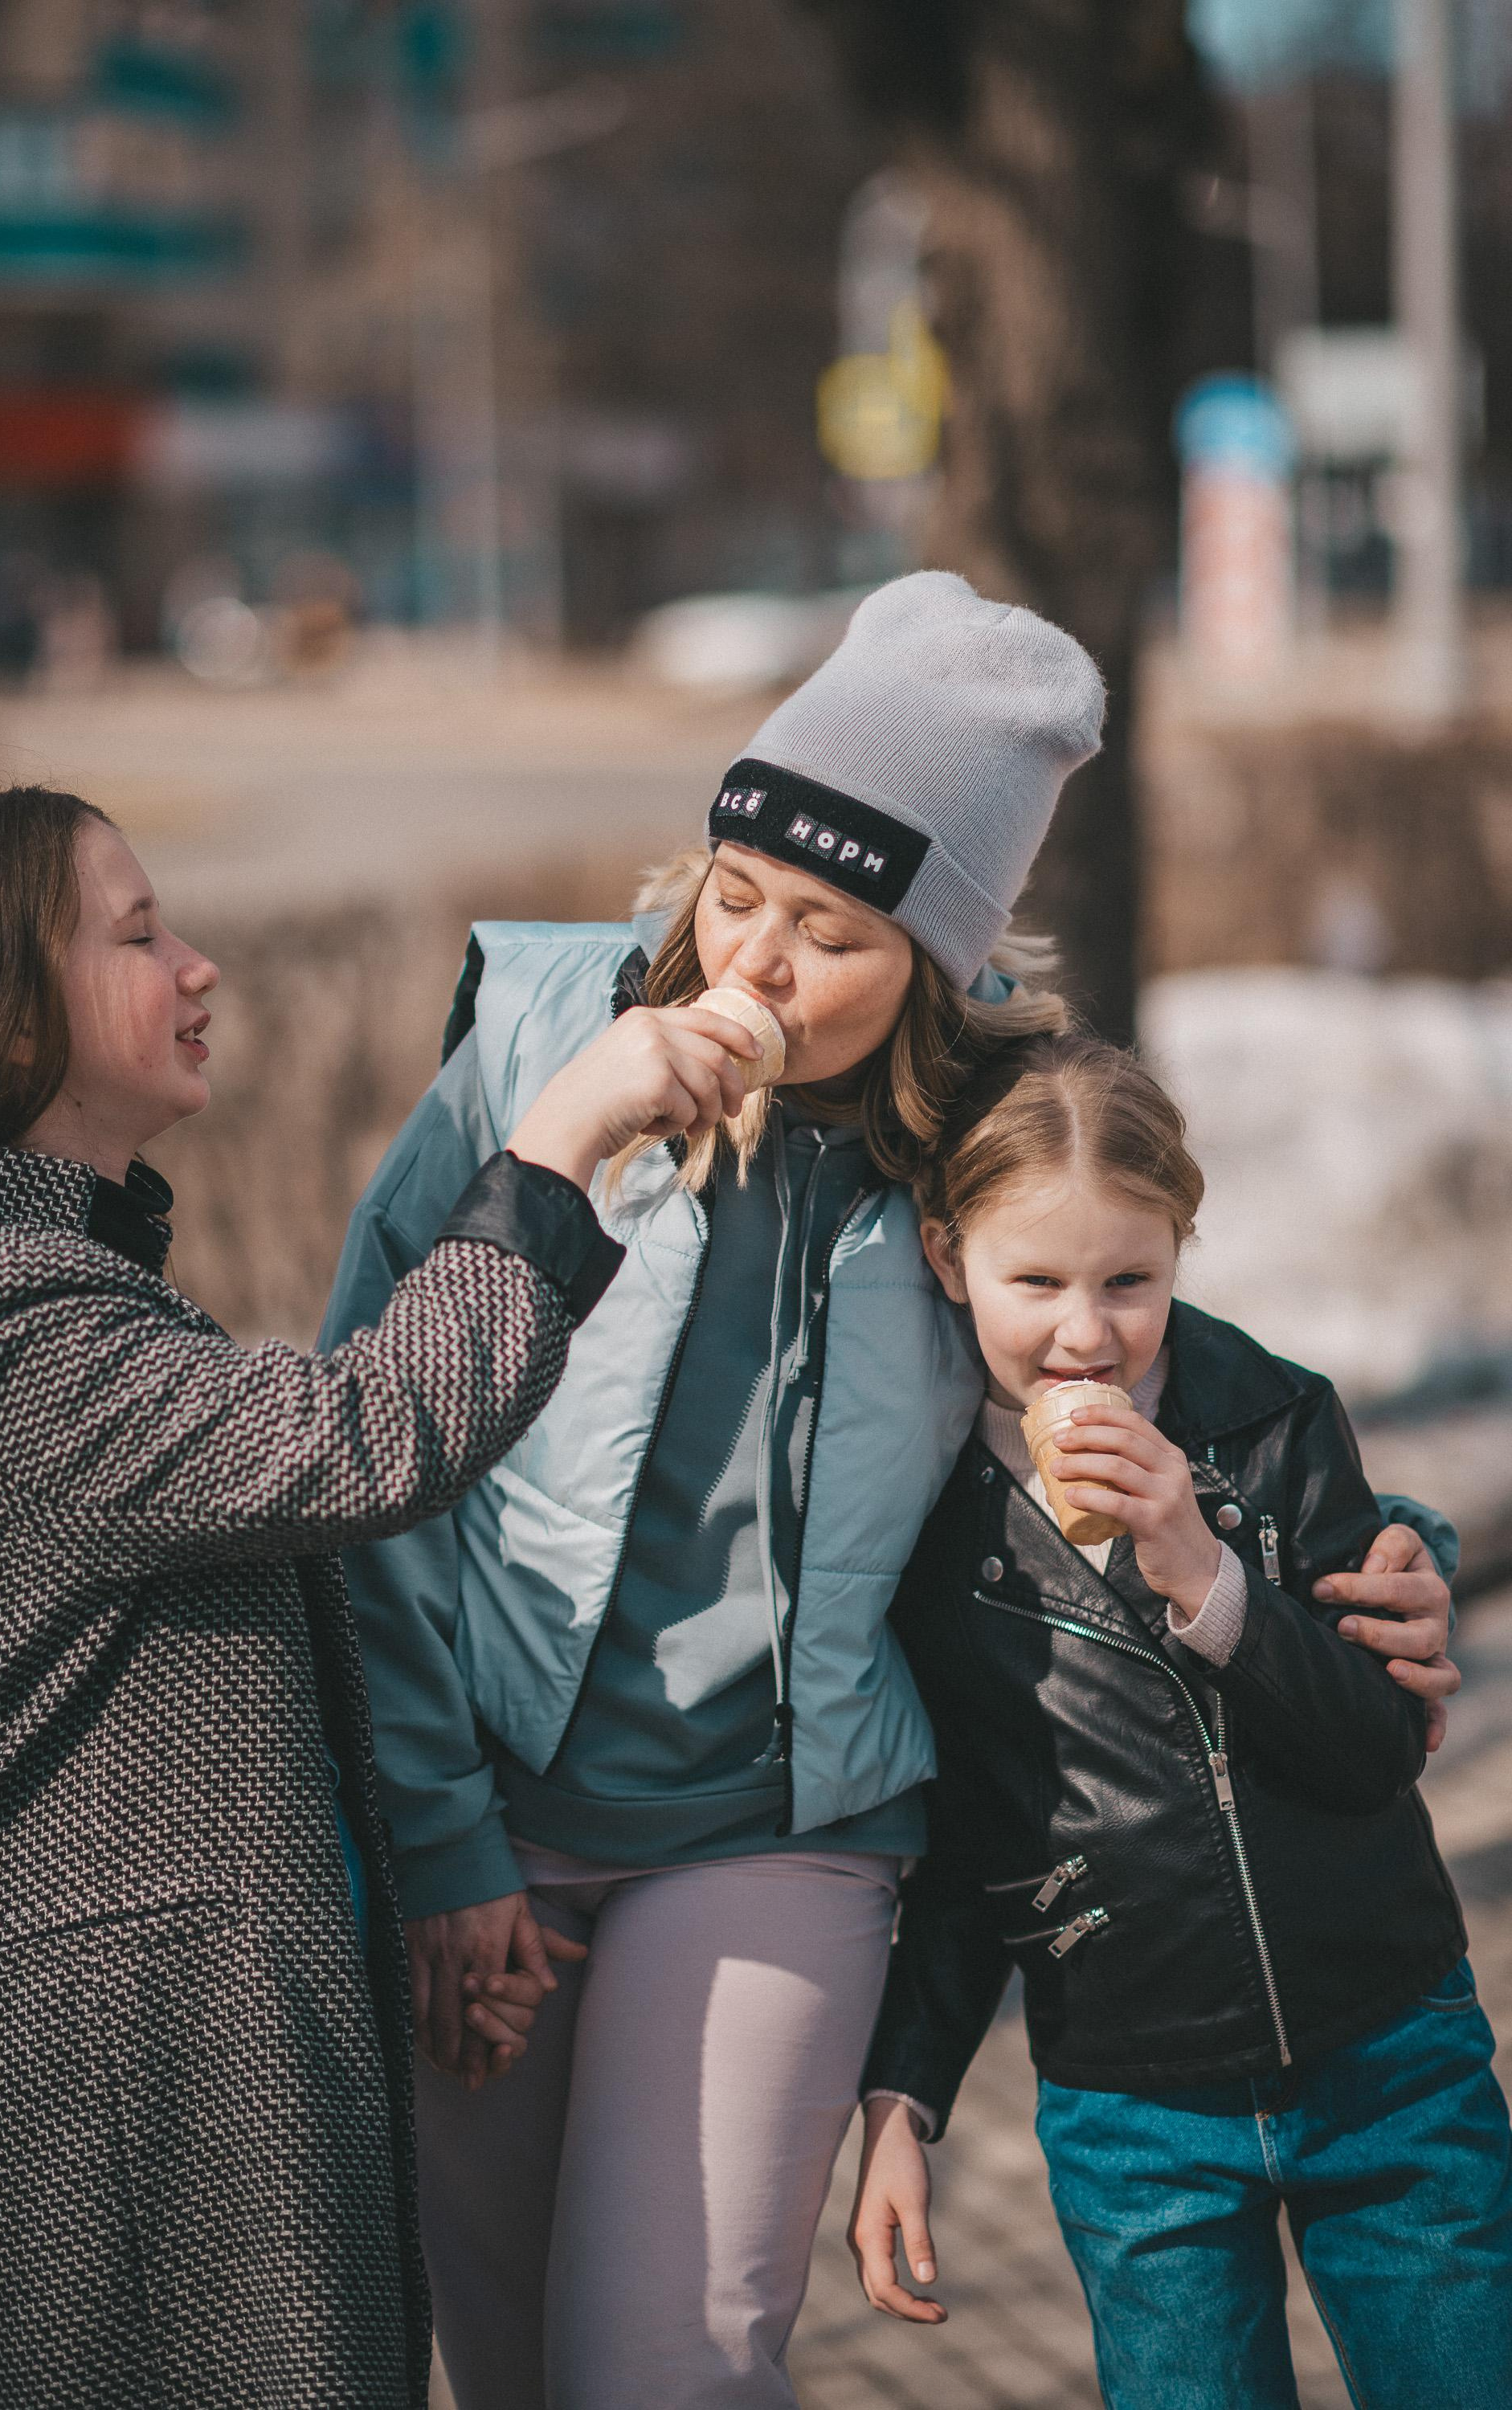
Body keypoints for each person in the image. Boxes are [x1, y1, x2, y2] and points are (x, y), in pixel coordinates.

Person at [321, 573, 1458, 2410]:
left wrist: (1398, 1546)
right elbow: (374, 1441)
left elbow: (1168, 1365)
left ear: (935, 962)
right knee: (514, 2366)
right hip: (490, 1814)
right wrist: (439, 1847)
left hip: (787, 1825)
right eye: (736, 892)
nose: (749, 963)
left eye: (829, 933)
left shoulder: (979, 1142)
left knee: (663, 2374)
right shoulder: (542, 1050)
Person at [0, 786, 759, 2410]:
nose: (199, 967)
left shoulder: (31, 1269)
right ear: (1, 1006)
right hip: (118, 2104)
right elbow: (361, 1442)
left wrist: (413, 1883)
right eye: (140, 934)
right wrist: (560, 1144)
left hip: (162, 2070)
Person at [852, 1031, 1511, 2409]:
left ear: (1180, 1249)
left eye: (1130, 1281)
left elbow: (1374, 1748)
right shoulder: (924, 1532)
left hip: (1389, 2057)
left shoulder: (1275, 1421)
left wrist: (1207, 1575)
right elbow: (976, 1849)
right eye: (1034, 1282)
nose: (1085, 1333)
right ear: (943, 1255)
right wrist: (902, 2099)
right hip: (1135, 2109)